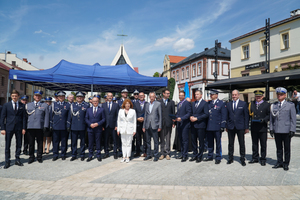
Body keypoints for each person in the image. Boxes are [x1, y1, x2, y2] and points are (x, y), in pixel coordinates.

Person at [270, 87, 296, 171]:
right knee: (279, 148)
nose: (279, 96)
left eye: (281, 94)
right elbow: (271, 118)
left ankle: (286, 163)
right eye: (278, 94)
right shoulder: (274, 105)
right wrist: (271, 128)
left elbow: (293, 119)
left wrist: (292, 130)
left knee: (287, 148)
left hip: (286, 130)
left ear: (285, 95)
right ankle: (279, 162)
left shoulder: (290, 105)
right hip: (277, 129)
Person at [0, 89, 26, 169]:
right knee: (8, 145)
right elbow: (2, 117)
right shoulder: (6, 105)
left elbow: (24, 118)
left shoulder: (22, 105)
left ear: (18, 96)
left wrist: (24, 128)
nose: (14, 97)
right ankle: (7, 161)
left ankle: (17, 159)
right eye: (13, 96)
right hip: (9, 127)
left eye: (16, 96)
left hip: (19, 127)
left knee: (19, 144)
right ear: (11, 96)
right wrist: (2, 128)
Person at [226, 90, 249, 166]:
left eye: (235, 95)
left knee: (241, 143)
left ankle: (242, 159)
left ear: (238, 95)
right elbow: (227, 116)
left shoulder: (243, 104)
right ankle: (230, 158)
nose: (234, 96)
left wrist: (246, 127)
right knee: (230, 144)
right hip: (231, 127)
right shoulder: (229, 104)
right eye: (233, 95)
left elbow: (246, 116)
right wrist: (226, 126)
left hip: (240, 127)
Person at [25, 90, 49, 164]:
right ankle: (31, 157)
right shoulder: (28, 105)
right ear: (33, 96)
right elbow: (25, 117)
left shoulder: (45, 105)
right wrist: (25, 126)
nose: (37, 97)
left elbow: (47, 117)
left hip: (39, 127)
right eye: (36, 95)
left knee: (40, 143)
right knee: (31, 143)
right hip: (30, 127)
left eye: (39, 96)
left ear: (41, 97)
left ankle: (39, 157)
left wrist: (46, 126)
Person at [248, 90, 270, 166]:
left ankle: (263, 159)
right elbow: (249, 115)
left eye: (259, 96)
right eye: (257, 96)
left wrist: (264, 119)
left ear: (262, 97)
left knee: (263, 144)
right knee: (254, 144)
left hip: (262, 127)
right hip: (254, 127)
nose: (258, 97)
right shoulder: (252, 104)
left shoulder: (267, 104)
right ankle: (255, 158)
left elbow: (269, 115)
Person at [205, 90, 227, 164]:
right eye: (210, 94)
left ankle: (218, 157)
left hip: (217, 126)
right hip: (209, 126)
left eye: (212, 94)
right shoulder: (208, 103)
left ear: (216, 95)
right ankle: (210, 155)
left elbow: (224, 115)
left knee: (218, 142)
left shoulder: (221, 103)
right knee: (210, 142)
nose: (211, 95)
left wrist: (223, 125)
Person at [68, 91, 89, 161]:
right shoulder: (72, 105)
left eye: (81, 97)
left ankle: (82, 154)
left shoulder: (87, 105)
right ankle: (74, 154)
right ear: (76, 98)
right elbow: (69, 116)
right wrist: (68, 125)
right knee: (74, 142)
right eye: (78, 97)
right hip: (74, 126)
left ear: (83, 98)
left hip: (83, 126)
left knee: (82, 142)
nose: (79, 98)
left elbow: (87, 116)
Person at [50, 91, 70, 161]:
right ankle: (55, 154)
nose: (61, 97)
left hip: (64, 126)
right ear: (57, 97)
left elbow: (69, 116)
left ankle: (63, 154)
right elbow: (51, 115)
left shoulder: (67, 105)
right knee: (55, 141)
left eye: (62, 96)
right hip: (56, 126)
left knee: (64, 141)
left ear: (64, 97)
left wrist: (68, 125)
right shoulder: (53, 104)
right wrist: (51, 125)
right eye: (60, 96)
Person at [189, 90, 209, 163]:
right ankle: (195, 155)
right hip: (193, 125)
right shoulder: (193, 103)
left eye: (197, 94)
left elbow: (206, 114)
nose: (196, 95)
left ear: (201, 95)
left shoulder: (204, 103)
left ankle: (200, 156)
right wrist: (191, 117)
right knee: (193, 141)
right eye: (195, 94)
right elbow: (191, 112)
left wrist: (197, 118)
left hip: (201, 125)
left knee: (201, 142)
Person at [143, 92, 162, 162]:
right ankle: (148, 154)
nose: (151, 98)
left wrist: (160, 126)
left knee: (156, 141)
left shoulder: (158, 104)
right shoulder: (147, 104)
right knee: (147, 141)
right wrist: (144, 126)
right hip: (147, 125)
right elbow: (145, 116)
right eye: (150, 97)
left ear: (155, 97)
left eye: (153, 96)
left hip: (155, 125)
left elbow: (160, 116)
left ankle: (156, 155)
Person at [85, 97, 105, 162]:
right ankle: (90, 155)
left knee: (98, 142)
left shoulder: (101, 109)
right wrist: (90, 124)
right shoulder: (88, 109)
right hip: (90, 129)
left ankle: (98, 155)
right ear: (92, 102)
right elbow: (86, 119)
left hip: (98, 129)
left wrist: (98, 124)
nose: (95, 102)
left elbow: (103, 119)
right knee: (90, 143)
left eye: (96, 101)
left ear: (98, 101)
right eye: (94, 101)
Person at [174, 91, 192, 162]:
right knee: (180, 140)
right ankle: (182, 153)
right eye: (179, 95)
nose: (180, 97)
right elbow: (178, 113)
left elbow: (188, 113)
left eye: (181, 95)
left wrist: (181, 118)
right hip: (179, 124)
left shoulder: (187, 103)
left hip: (185, 124)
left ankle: (185, 155)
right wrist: (175, 118)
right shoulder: (179, 104)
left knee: (185, 140)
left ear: (184, 96)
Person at [102, 92, 120, 159]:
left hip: (113, 126)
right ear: (106, 97)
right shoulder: (103, 105)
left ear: (112, 97)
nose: (109, 97)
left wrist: (116, 125)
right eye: (108, 96)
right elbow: (102, 116)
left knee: (115, 140)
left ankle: (115, 153)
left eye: (111, 96)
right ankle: (106, 153)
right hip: (106, 126)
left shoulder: (116, 105)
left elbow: (118, 116)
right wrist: (102, 126)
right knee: (106, 140)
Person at [158, 89, 175, 160]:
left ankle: (168, 153)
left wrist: (173, 122)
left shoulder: (172, 102)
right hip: (161, 123)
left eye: (169, 93)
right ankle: (162, 153)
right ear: (163, 94)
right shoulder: (159, 102)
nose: (168, 95)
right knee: (162, 139)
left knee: (168, 139)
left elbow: (173, 113)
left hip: (168, 123)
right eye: (167, 93)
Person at [133, 92, 148, 157]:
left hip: (145, 123)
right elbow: (133, 113)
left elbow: (149, 113)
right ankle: (138, 151)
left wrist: (144, 118)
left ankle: (145, 152)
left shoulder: (147, 104)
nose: (141, 97)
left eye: (142, 95)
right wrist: (137, 118)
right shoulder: (135, 104)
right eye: (140, 96)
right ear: (138, 97)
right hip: (138, 123)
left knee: (145, 138)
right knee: (138, 138)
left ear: (144, 96)